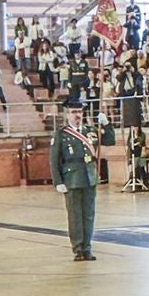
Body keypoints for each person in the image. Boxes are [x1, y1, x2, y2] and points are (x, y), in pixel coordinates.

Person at [49, 96, 100, 262]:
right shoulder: (61, 134)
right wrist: (58, 181)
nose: (77, 115)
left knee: (88, 215)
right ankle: (78, 249)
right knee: (75, 216)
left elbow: (109, 140)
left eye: (79, 111)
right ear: (67, 114)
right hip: (72, 178)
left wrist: (106, 125)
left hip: (89, 177)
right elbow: (54, 159)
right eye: (73, 112)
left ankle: (87, 248)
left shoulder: (90, 131)